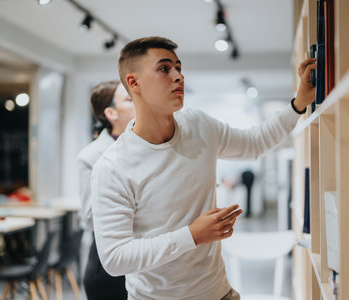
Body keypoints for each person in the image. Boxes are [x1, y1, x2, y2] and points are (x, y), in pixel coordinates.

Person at [91, 36, 316, 300]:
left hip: (219, 294)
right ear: (134, 82)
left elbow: (256, 143)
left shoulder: (199, 125)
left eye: (179, 68)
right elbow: (115, 258)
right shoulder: (113, 166)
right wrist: (192, 235)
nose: (178, 76)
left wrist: (298, 103)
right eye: (164, 68)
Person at [77, 80, 135, 300]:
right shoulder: (90, 156)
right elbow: (90, 217)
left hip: (146, 264)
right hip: (109, 267)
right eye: (130, 99)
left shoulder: (148, 148)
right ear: (111, 113)